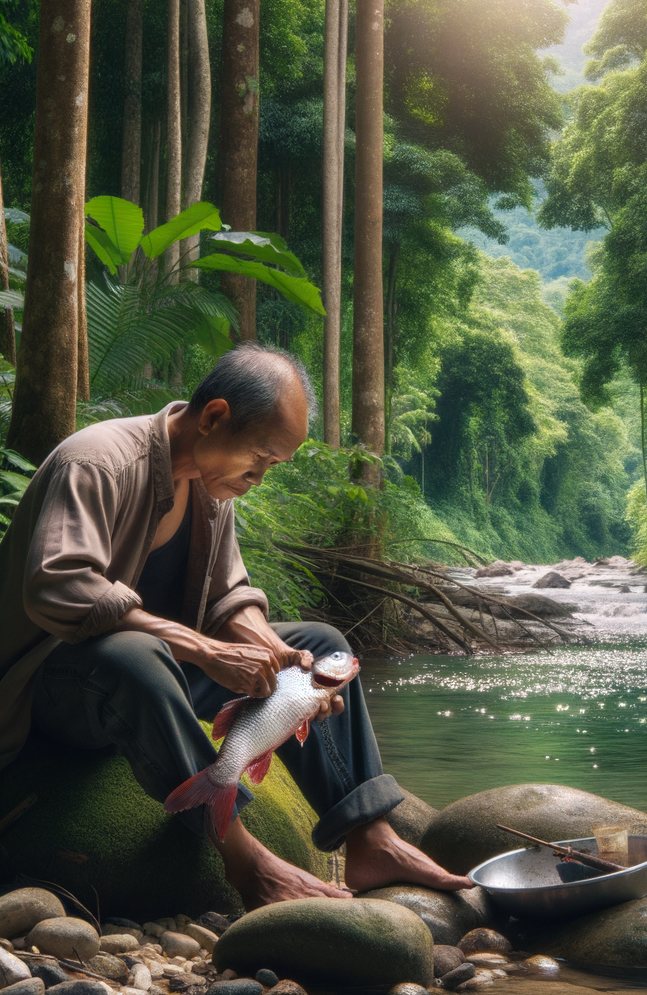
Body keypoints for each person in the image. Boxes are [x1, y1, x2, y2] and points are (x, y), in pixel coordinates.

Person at [0, 342, 472, 907]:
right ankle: (246, 860)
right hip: (48, 691)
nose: (260, 478)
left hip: (157, 682)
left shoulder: (209, 487)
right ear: (215, 417)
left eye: (273, 467)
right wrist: (204, 650)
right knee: (134, 654)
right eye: (260, 458)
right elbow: (58, 584)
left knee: (321, 646)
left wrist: (279, 656)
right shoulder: (98, 462)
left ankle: (371, 837)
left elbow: (230, 595)